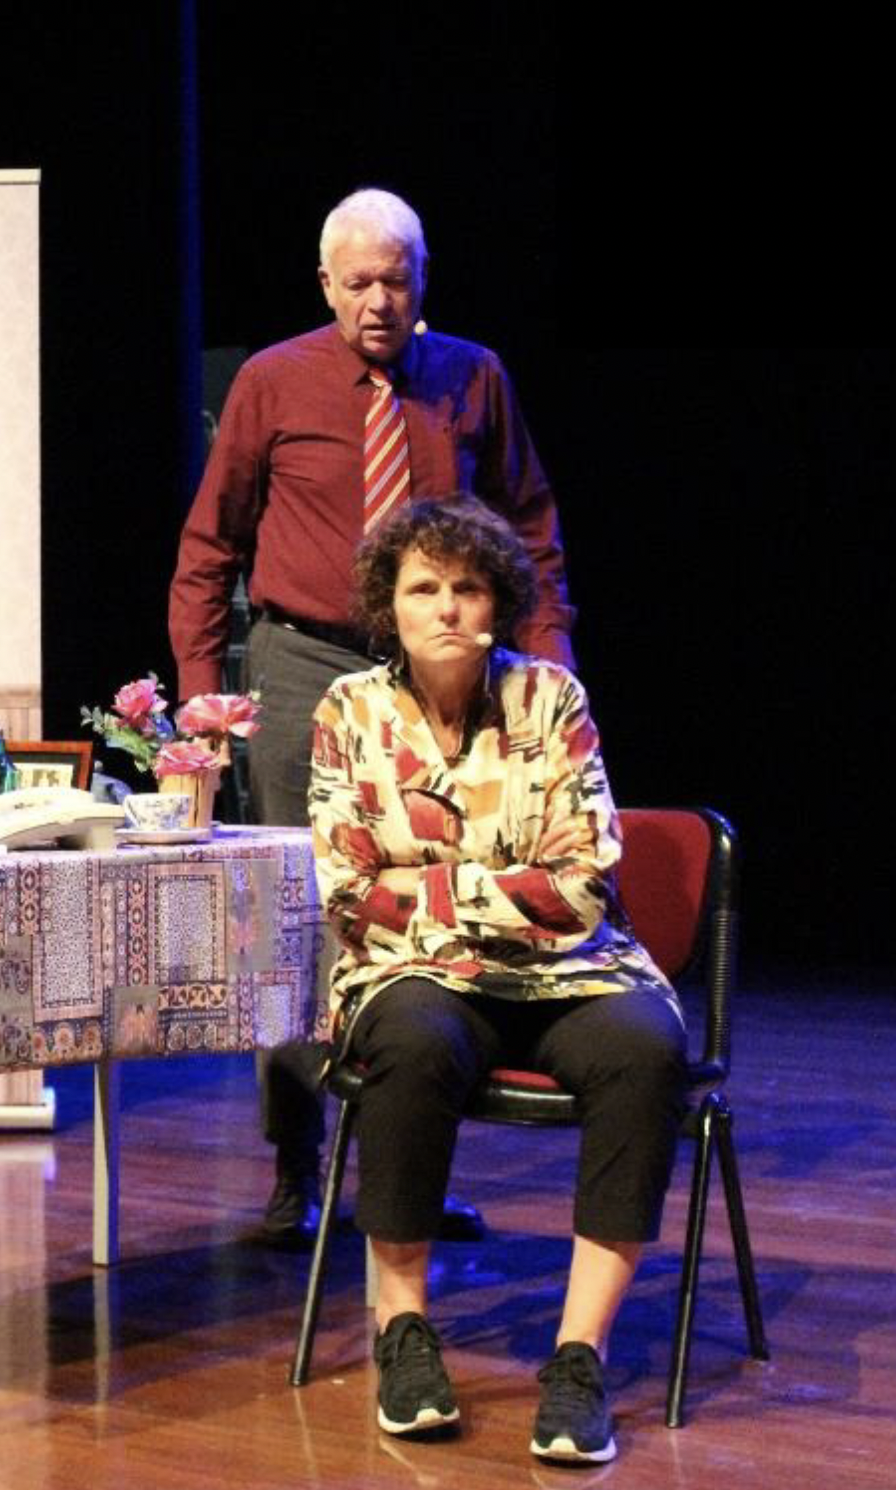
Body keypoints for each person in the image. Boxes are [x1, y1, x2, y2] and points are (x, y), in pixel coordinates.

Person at [169, 186, 577, 1245]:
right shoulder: (273, 380)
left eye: (397, 281)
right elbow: (211, 542)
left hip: (441, 671)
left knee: (437, 916)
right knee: (301, 915)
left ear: (423, 278)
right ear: (326, 285)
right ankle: (294, 1172)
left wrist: (548, 665)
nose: (379, 302)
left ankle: (408, 1172)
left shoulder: (472, 376)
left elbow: (531, 529)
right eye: (358, 284)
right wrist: (202, 693)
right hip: (305, 663)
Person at [307, 498, 683, 1465]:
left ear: (496, 603)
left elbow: (582, 887)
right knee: (411, 1041)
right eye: (423, 587)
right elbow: (347, 895)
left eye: (467, 587)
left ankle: (579, 1357)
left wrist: (423, 887)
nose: (446, 607)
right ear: (388, 604)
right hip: (411, 977)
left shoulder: (550, 700)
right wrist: (507, 884)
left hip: (569, 973)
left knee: (647, 1048)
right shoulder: (348, 710)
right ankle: (403, 1332)